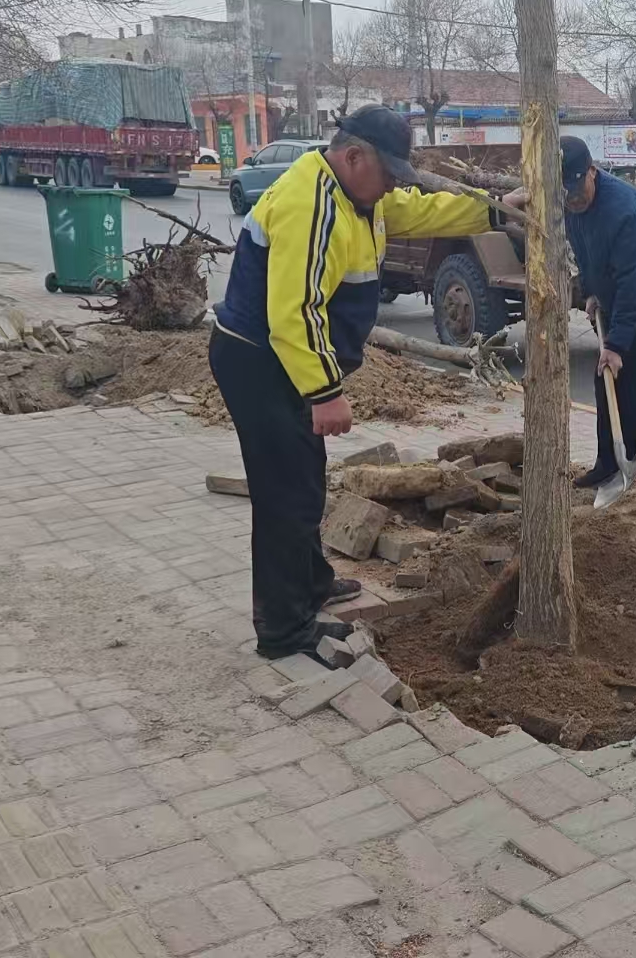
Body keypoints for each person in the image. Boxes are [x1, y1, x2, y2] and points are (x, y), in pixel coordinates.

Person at [209, 105, 493, 660]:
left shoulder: (358, 195)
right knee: (285, 496)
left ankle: (311, 584)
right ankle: (284, 630)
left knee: (304, 482)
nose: (393, 187)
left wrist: (492, 210)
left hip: (285, 362)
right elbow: (294, 313)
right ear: (355, 156)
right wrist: (325, 393)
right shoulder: (311, 205)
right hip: (263, 362)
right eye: (388, 174)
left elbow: (420, 209)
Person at [506, 136, 636, 518]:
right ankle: (610, 464)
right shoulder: (568, 202)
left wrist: (617, 344)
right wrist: (593, 291)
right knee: (610, 381)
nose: (574, 201)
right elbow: (588, 253)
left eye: (578, 192)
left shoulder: (622, 210)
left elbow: (634, 281)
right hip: (627, 296)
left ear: (592, 171)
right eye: (567, 195)